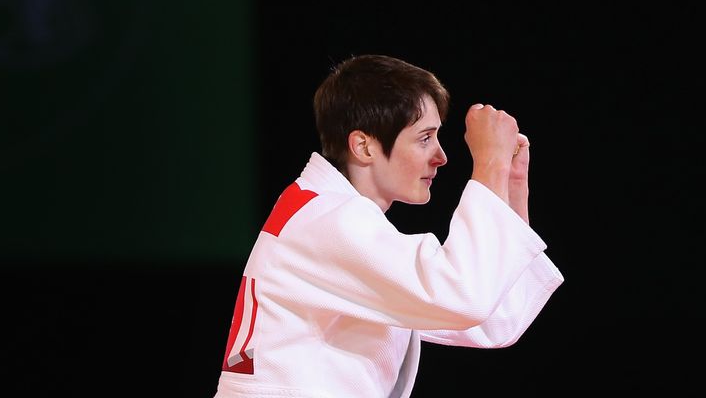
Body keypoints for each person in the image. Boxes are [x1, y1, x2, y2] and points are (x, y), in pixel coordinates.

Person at [214, 54, 564, 397]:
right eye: (425, 138)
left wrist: (510, 183)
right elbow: (463, 296)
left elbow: (491, 320)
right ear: (364, 146)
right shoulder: (330, 221)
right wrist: (489, 164)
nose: (441, 157)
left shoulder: (323, 212)